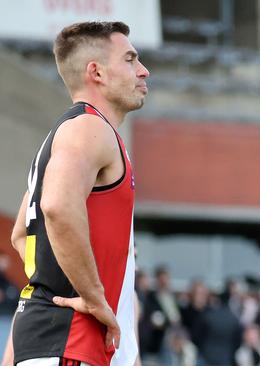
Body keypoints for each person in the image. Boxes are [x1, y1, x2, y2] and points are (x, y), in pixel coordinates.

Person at [7, 21, 149, 365]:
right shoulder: (89, 128)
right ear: (96, 72)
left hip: (56, 344)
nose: (143, 71)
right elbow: (56, 207)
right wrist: (93, 295)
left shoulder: (72, 134)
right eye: (130, 59)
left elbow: (23, 236)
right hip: (68, 343)